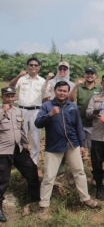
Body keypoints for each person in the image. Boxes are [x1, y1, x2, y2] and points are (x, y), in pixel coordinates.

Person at [35, 81, 99, 220]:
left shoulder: (72, 107)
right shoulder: (47, 106)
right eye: (60, 90)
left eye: (65, 91)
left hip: (72, 144)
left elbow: (78, 127)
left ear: (68, 92)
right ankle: (44, 205)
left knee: (79, 172)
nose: (62, 93)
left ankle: (85, 198)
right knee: (49, 176)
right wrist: (50, 115)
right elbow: (38, 123)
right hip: (54, 146)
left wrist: (82, 145)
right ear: (55, 91)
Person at [0, 87, 40, 223]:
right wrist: (3, 112)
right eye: (7, 96)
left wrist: (25, 145)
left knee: (32, 170)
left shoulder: (18, 111)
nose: (10, 99)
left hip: (18, 149)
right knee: (2, 180)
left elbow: (22, 130)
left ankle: (35, 198)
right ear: (2, 97)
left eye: (12, 96)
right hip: (3, 151)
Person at [9, 57, 47, 164]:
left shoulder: (42, 81)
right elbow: (11, 87)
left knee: (35, 137)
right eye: (31, 65)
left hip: (36, 110)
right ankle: (22, 160)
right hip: (22, 110)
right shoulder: (22, 79)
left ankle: (34, 162)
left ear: (39, 67)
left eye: (35, 65)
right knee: (21, 136)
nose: (33, 67)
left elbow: (45, 96)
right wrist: (18, 76)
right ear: (27, 66)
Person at [43, 61, 76, 177]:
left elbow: (72, 100)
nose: (62, 71)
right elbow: (44, 94)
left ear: (68, 70)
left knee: (65, 138)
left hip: (66, 113)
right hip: (52, 113)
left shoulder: (71, 84)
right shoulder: (51, 82)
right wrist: (47, 80)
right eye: (60, 69)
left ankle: (62, 166)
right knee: (53, 139)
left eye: (65, 69)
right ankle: (53, 168)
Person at [69, 66, 102, 155]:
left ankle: (94, 167)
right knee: (79, 148)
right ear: (84, 75)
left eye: (92, 74)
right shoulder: (79, 88)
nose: (90, 75)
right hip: (80, 123)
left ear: (95, 76)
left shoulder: (99, 88)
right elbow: (71, 99)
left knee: (93, 148)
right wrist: (75, 86)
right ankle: (79, 166)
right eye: (88, 73)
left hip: (94, 123)